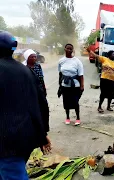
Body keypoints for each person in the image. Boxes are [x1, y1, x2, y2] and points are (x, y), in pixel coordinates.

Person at [0, 30, 50, 179]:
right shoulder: (26, 72)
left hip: (6, 143)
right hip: (22, 139)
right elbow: (41, 105)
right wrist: (43, 135)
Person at [23, 49, 51, 147]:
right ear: (27, 58)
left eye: (35, 56)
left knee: (44, 109)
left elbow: (41, 79)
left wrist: (44, 89)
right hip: (30, 91)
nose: (34, 58)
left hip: (39, 90)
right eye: (32, 57)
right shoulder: (24, 68)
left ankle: (44, 129)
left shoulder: (38, 66)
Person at [58, 44, 84, 125]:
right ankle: (67, 117)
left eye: (71, 49)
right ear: (64, 49)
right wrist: (60, 85)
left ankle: (78, 118)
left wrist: (82, 86)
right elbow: (60, 74)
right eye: (67, 48)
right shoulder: (61, 61)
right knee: (66, 102)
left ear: (72, 50)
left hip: (75, 85)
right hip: (64, 85)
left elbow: (81, 75)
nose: (69, 50)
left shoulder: (77, 61)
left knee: (75, 102)